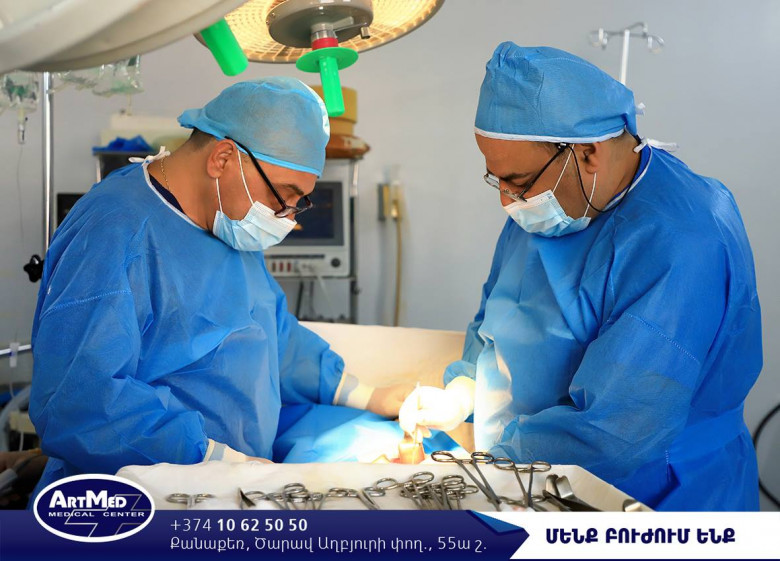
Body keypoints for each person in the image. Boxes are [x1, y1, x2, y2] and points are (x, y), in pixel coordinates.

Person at [399, 43, 763, 510]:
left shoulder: (683, 241)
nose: (507, 201)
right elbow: (500, 316)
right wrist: (462, 392)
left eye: (518, 182)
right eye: (496, 180)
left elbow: (617, 431)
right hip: (528, 475)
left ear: (588, 153)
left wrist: (490, 471)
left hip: (659, 492)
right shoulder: (549, 204)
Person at [29, 77, 408, 497]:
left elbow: (270, 334)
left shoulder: (229, 220)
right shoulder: (114, 230)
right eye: (283, 196)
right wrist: (216, 461)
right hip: (134, 499)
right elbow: (80, 404)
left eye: (299, 202)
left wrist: (369, 396)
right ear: (223, 158)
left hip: (237, 482)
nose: (287, 217)